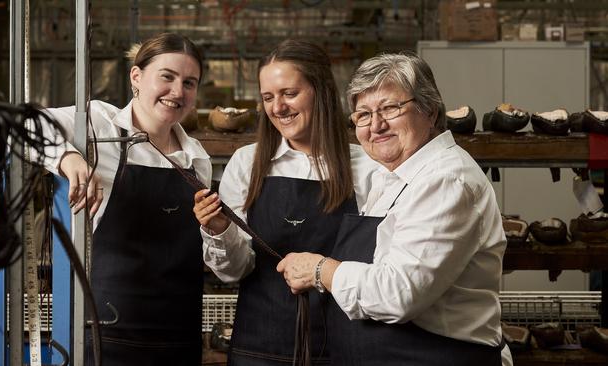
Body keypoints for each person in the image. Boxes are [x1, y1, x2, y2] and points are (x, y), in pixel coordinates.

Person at [276, 52, 513, 366]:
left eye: (390, 107)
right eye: (362, 114)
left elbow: (399, 293)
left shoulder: (446, 180)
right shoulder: (392, 176)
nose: (376, 125)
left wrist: (319, 270)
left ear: (429, 109)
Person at [0, 33, 211, 365]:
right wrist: (67, 157)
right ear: (136, 77)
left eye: (189, 83)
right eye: (167, 76)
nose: (178, 92)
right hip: (106, 334)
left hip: (179, 338)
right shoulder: (96, 124)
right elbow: (4, 123)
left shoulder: (197, 159)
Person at [193, 39, 379, 365]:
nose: (278, 107)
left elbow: (378, 270)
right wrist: (220, 230)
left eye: (289, 93)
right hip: (258, 346)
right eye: (268, 97)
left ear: (321, 91)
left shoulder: (367, 166)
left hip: (341, 348)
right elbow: (233, 271)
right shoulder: (247, 163)